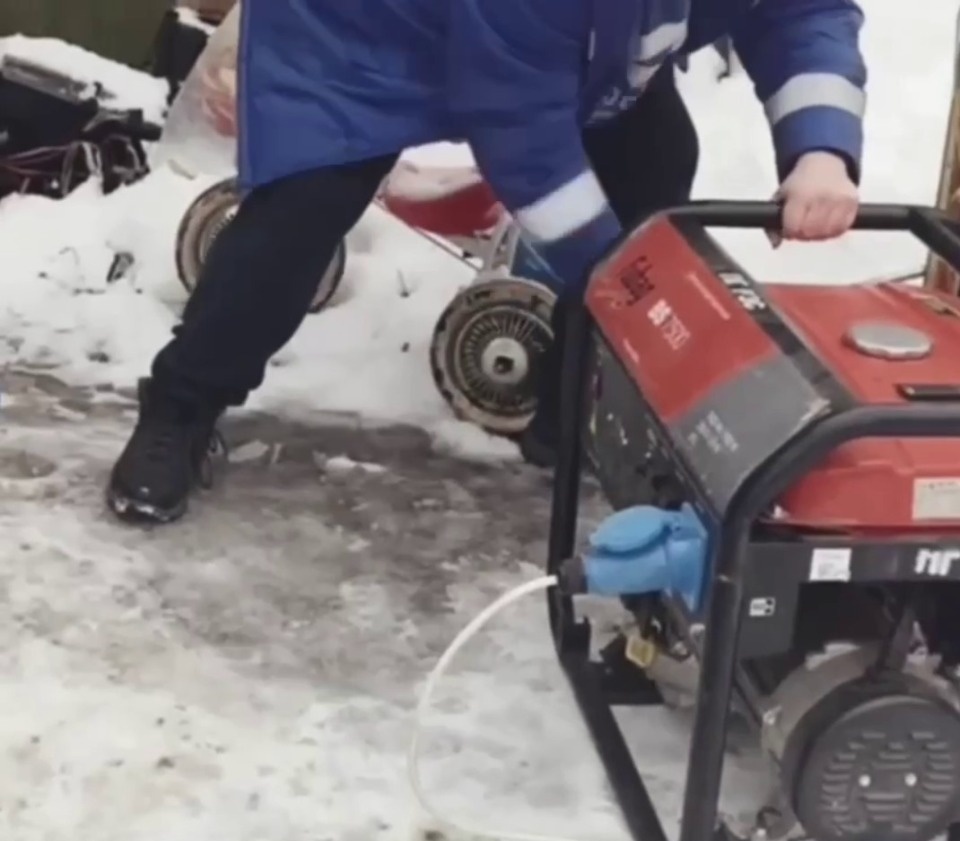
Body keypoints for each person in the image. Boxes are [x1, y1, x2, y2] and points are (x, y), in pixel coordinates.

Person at [107, 0, 866, 524]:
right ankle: (181, 405)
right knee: (301, 214)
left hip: (572, 36)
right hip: (362, 35)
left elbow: (802, 15)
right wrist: (618, 282)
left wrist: (822, 150)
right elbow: (519, 125)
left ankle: (576, 413)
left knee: (655, 159)